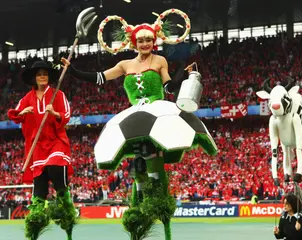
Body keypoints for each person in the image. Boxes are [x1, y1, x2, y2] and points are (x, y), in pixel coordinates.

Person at [61, 10, 217, 240]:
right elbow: (100, 78)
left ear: (154, 41)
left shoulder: (160, 60)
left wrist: (181, 74)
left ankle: (158, 205)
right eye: (141, 40)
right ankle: (139, 207)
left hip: (158, 112)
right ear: (134, 42)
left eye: (148, 40)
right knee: (139, 164)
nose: (145, 43)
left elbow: (168, 89)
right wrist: (73, 71)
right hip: (135, 116)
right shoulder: (124, 65)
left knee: (153, 159)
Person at [7, 61, 77, 240]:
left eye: (45, 74)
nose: (42, 76)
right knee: (39, 189)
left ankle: (66, 211)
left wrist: (54, 113)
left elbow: (67, 115)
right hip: (36, 146)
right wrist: (23, 113)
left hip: (55, 142)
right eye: (39, 74)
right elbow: (13, 114)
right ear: (34, 78)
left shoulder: (58, 95)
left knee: (57, 172)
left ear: (49, 77)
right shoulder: (26, 99)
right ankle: (35, 227)